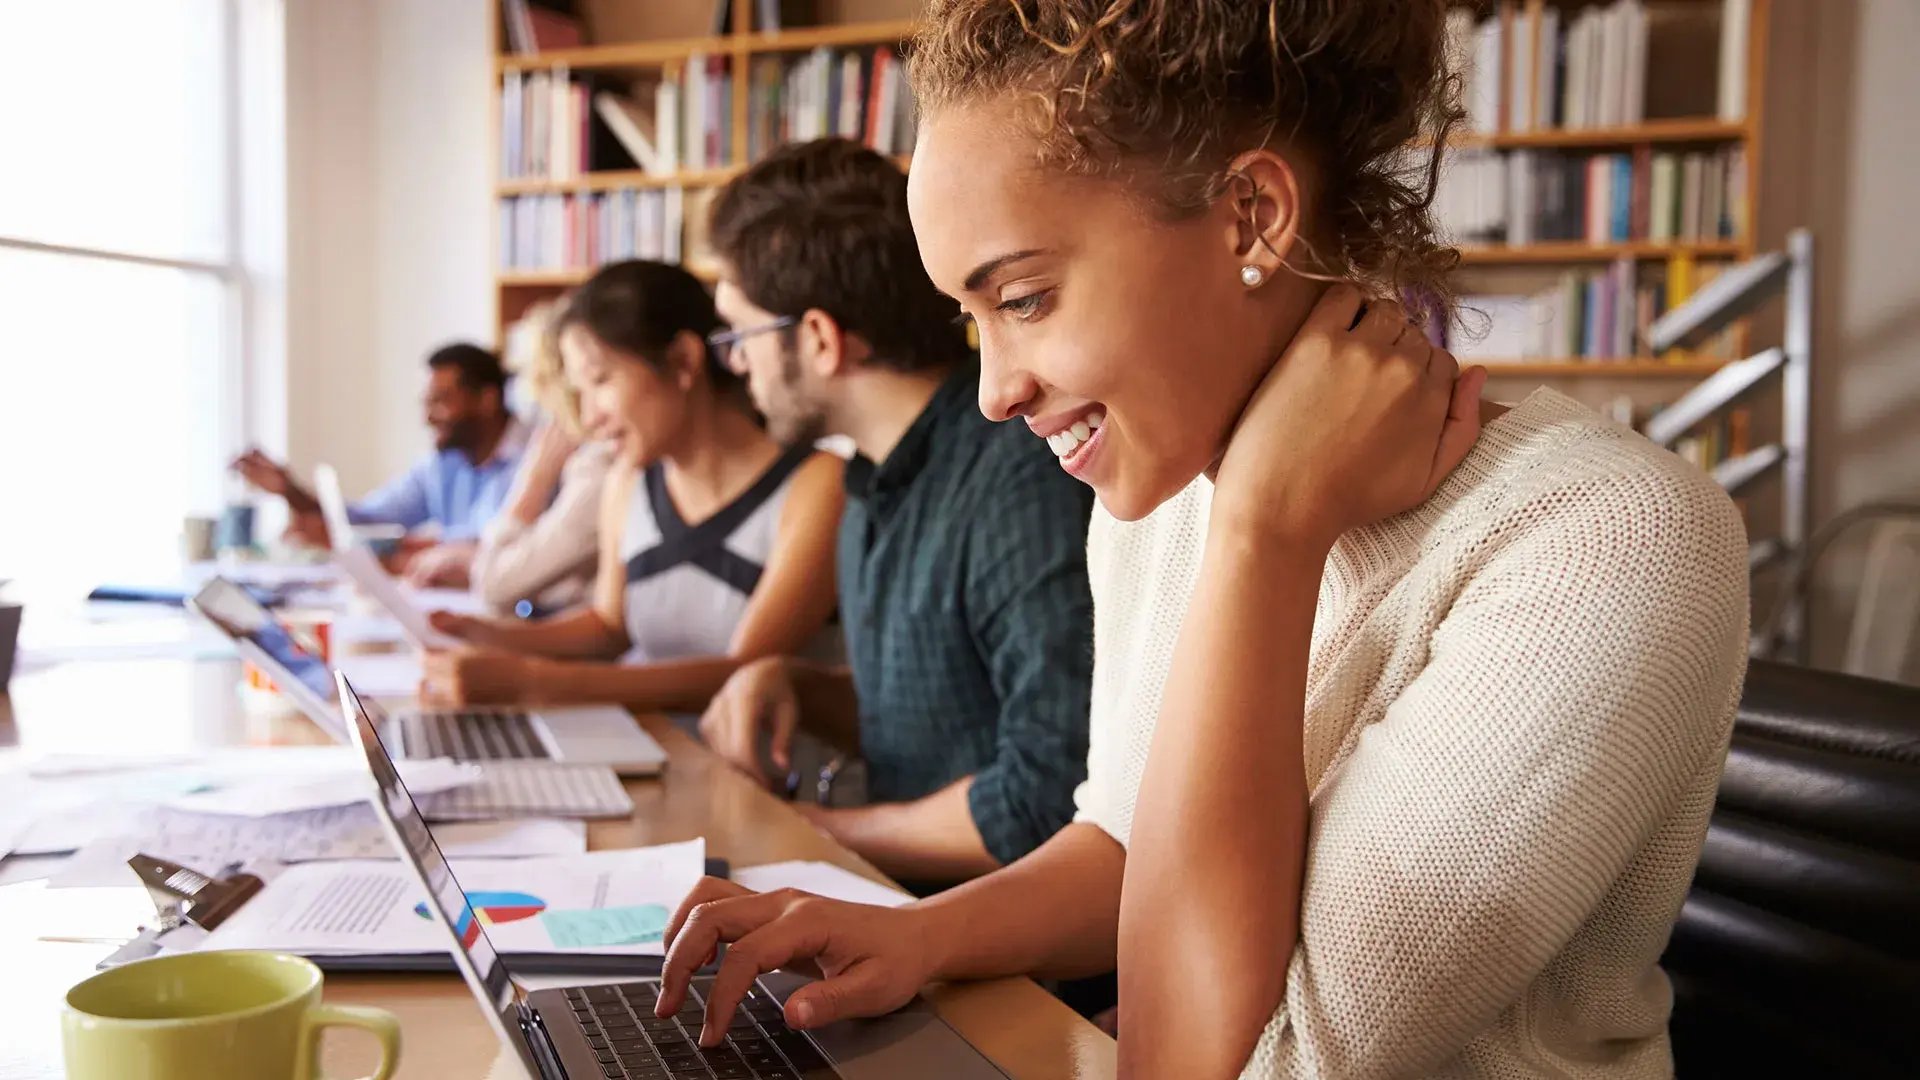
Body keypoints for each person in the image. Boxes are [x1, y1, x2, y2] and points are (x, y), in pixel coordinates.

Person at [648, 3, 1751, 1077]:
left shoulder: (1604, 541)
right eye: (968, 319)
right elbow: (1126, 844)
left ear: (1250, 217)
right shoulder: (1169, 480)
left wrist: (1265, 533)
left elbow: (1209, 1064)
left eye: (1025, 297)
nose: (991, 392)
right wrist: (913, 937)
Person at [692, 139, 1099, 887]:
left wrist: (813, 834)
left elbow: (1047, 798)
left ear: (818, 338)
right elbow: (946, 710)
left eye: (739, 337)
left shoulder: (1021, 479)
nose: (736, 364)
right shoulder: (871, 477)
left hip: (1014, 971)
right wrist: (798, 686)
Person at [419, 260, 844, 720]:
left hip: (761, 782)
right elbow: (609, 627)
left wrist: (532, 681)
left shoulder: (817, 484)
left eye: (601, 381)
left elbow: (739, 677)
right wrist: (486, 637)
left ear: (683, 361)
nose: (589, 416)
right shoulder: (630, 481)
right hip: (660, 757)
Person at [232, 342, 526, 585]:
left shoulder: (530, 458)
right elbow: (371, 520)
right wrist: (291, 491)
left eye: (441, 402)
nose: (427, 418)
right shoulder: (443, 463)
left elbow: (494, 547)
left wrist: (408, 549)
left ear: (487, 400)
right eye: (426, 403)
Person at [471, 297, 616, 614]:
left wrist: (534, 482)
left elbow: (494, 583)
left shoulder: (600, 465)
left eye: (531, 377)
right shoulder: (583, 458)